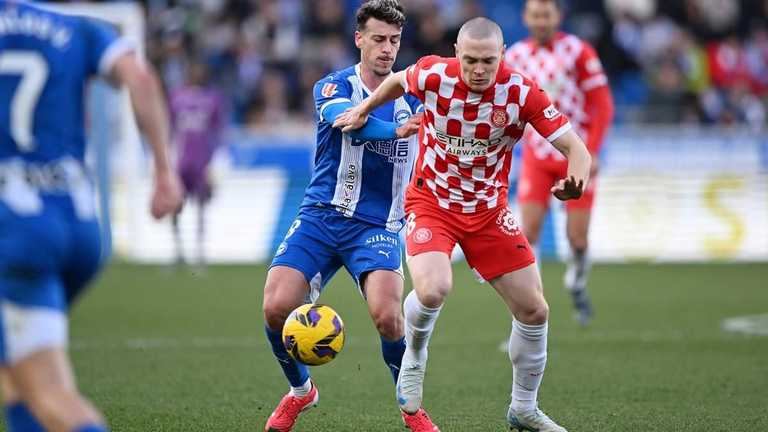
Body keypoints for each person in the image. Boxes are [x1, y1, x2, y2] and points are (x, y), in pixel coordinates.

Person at [335, 16, 592, 432]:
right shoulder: (435, 73)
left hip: (488, 212)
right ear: (457, 53)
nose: (478, 70)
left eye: (488, 61)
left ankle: (524, 407)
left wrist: (576, 180)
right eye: (470, 60)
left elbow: (576, 148)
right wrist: (364, 108)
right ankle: (415, 355)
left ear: (502, 55)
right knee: (434, 288)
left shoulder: (521, 92)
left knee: (534, 310)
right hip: (432, 202)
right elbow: (398, 80)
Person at [0, 2, 183, 431]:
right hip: (79, 224)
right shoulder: (75, 28)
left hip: (16, 229)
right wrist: (163, 170)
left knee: (50, 393)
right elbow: (140, 77)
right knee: (15, 371)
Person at [260, 1, 433, 431]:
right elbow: (348, 121)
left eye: (394, 40)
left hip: (377, 224)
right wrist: (394, 129)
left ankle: (411, 410)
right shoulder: (332, 86)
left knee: (388, 317)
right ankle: (301, 391)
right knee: (276, 307)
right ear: (359, 39)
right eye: (378, 39)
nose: (387, 49)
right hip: (321, 215)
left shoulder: (416, 94)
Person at [504, 0, 614, 325]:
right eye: (535, 15)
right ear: (526, 18)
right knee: (528, 233)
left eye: (547, 15)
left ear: (558, 17)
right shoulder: (515, 57)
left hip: (574, 156)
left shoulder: (578, 51)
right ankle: (532, 306)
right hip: (537, 156)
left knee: (577, 239)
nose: (541, 21)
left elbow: (602, 104)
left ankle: (577, 281)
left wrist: (592, 151)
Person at [169, 62, 225, 270]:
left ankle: (199, 253)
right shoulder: (176, 97)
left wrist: (216, 161)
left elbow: (219, 131)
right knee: (176, 205)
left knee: (201, 207)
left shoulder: (213, 98)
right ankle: (178, 252)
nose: (196, 73)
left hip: (202, 162)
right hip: (181, 160)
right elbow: (169, 127)